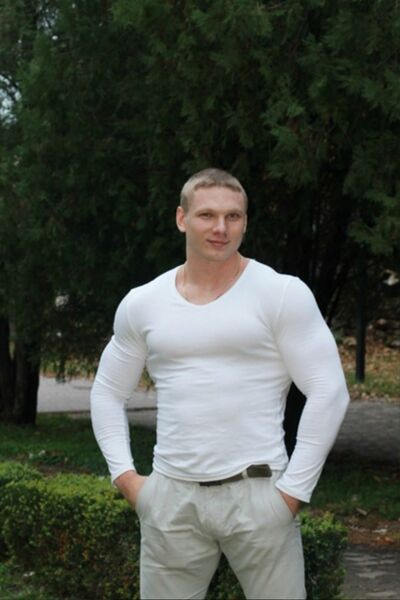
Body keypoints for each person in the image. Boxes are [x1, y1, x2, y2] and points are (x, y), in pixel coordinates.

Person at [90, 168, 349, 600]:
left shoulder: (281, 294)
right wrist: (126, 478)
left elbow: (330, 390)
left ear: (245, 222)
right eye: (207, 215)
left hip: (259, 495)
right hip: (170, 499)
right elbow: (107, 391)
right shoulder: (143, 303)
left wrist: (293, 492)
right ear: (182, 218)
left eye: (233, 216)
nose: (221, 228)